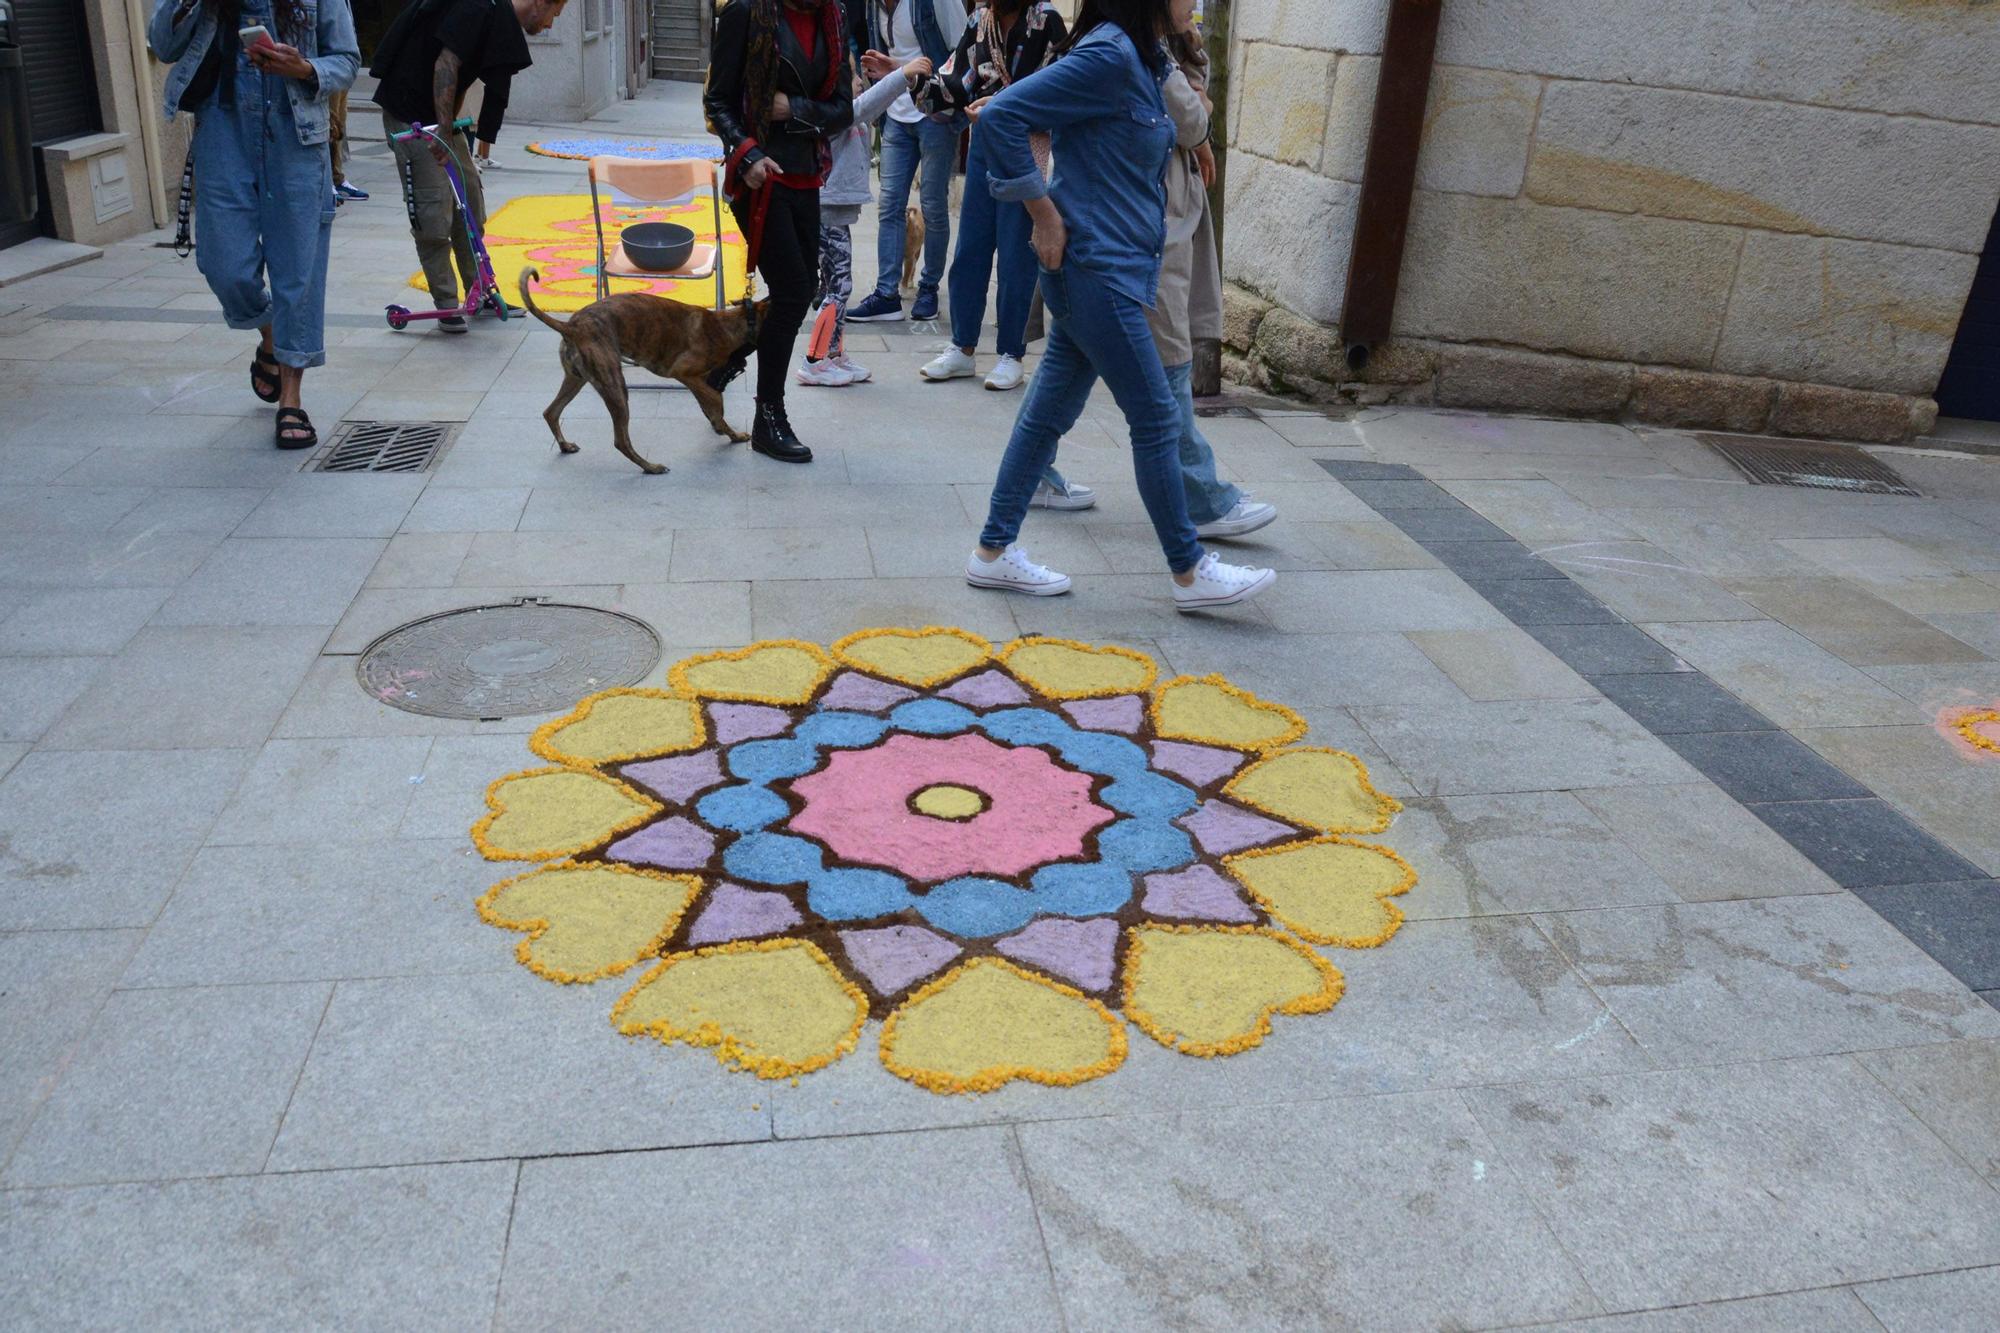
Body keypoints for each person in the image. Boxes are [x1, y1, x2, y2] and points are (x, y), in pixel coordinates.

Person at [964, 0, 1274, 611]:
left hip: (1115, 270)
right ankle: (1190, 572)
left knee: (1046, 417)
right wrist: (1043, 213)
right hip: (1095, 270)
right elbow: (1000, 117)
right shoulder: (1108, 53)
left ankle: (991, 555)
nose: (1198, 2)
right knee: (1157, 420)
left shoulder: (1144, 55)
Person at [148, 0, 359, 450]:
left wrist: (303, 68)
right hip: (224, 129)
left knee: (297, 272)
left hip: (296, 134)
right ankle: (270, 335)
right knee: (224, 264)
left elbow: (346, 60)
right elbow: (162, 45)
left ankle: (291, 399)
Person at [705, 0, 857, 462]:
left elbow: (843, 110)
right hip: (758, 178)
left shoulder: (833, 16)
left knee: (799, 289)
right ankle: (768, 417)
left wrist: (794, 109)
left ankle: (722, 365)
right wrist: (747, 153)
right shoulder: (745, 13)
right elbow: (717, 101)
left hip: (807, 173)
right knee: (793, 289)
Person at [372, 0, 561, 332]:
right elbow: (446, 64)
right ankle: (446, 304)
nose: (550, 25)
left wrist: (450, 130)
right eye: (553, 15)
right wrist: (442, 131)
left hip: (439, 116)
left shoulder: (498, 17)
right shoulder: (479, 7)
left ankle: (481, 290)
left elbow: (459, 76)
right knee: (434, 209)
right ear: (540, 3)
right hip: (409, 109)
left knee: (469, 199)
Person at [910, 1, 1062, 394]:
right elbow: (956, 81)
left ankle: (1011, 353)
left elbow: (1060, 92)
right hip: (983, 144)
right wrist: (909, 80)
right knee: (971, 247)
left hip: (1027, 147)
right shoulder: (980, 22)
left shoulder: (1047, 21)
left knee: (1016, 253)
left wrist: (1002, 105)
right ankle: (962, 345)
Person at [797, 46, 933, 387]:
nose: (861, 82)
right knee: (839, 285)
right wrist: (903, 75)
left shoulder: (847, 114)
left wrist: (892, 78)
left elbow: (874, 104)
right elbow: (869, 104)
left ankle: (832, 354)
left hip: (834, 213)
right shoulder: (835, 114)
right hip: (826, 213)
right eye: (855, 77)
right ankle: (814, 359)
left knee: (835, 285)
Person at [845, 0, 962, 325]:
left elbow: (963, 49)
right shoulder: (872, 7)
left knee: (933, 205)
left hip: (935, 114)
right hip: (896, 113)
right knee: (889, 205)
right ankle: (887, 294)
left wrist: (947, 101)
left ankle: (928, 288)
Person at [329, 88, 367, 201]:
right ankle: (328, 183)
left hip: (338, 75)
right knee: (330, 123)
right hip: (327, 74)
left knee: (338, 123)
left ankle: (336, 180)